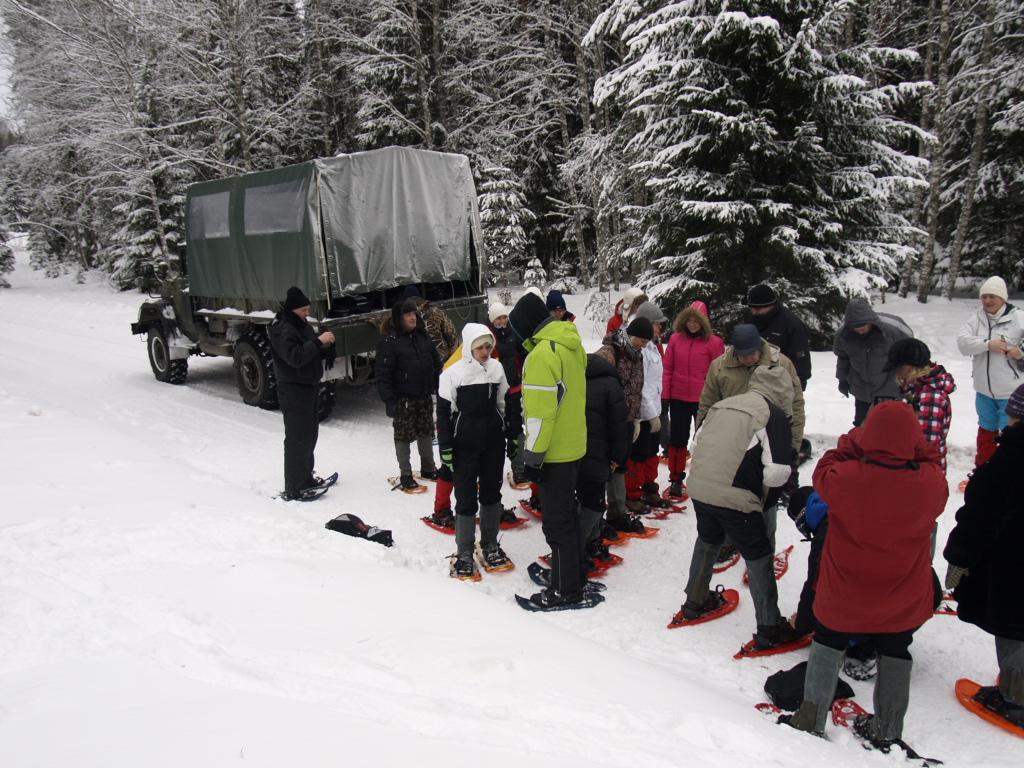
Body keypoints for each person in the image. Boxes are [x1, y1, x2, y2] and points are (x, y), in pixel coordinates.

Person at [780, 402, 947, 755]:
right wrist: (915, 444)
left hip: (845, 592)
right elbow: (932, 460)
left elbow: (824, 466)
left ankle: (811, 717)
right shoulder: (930, 484)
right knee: (896, 651)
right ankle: (886, 729)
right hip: (901, 594)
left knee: (827, 643)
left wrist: (856, 440)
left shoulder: (846, 478)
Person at [677, 366, 800, 649]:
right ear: (784, 392)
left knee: (708, 540)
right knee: (758, 554)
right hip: (736, 497)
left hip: (699, 486)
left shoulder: (722, 405)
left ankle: (695, 601)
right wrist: (763, 503)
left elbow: (696, 445)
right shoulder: (774, 415)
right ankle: (769, 626)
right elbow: (777, 473)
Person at [943, 382, 1024, 727]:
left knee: (1013, 626)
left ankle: (1016, 701)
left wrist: (959, 554)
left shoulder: (1014, 454)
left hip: (1013, 559)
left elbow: (984, 513)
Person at [509, 291, 592, 609]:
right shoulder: (571, 344)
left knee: (557, 524)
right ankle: (571, 575)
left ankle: (565, 590)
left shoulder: (542, 355)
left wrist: (532, 458)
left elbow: (542, 415)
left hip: (553, 452)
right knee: (568, 517)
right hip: (574, 447)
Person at [437, 323, 520, 580]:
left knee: (491, 493)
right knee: (465, 498)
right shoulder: (452, 374)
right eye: (480, 347)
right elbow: (443, 414)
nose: (485, 351)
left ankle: (489, 543)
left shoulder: (497, 369)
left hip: (493, 443)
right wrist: (446, 447)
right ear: (469, 347)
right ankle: (463, 551)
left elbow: (507, 403)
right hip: (464, 446)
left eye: (488, 346)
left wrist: (514, 434)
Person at [268, 286, 337, 501]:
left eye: (308, 309)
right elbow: (295, 357)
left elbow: (309, 347)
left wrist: (327, 347)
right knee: (297, 438)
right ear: (293, 309)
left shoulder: (300, 324)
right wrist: (319, 342)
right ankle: (294, 486)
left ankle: (306, 477)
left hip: (308, 386)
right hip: (292, 389)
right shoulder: (283, 329)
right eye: (304, 309)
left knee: (309, 434)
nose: (307, 313)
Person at [956, 276, 1024, 468]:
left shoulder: (1018, 317)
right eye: (984, 297)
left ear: (1002, 298)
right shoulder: (976, 319)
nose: (987, 301)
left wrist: (1020, 353)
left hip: (1010, 394)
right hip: (983, 391)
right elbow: (963, 343)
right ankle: (983, 470)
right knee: (986, 433)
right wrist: (987, 344)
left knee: (1008, 436)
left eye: (992, 296)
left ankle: (1005, 475)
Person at [376, 298, 442, 491]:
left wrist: (439, 386)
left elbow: (436, 363)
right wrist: (390, 401)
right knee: (403, 436)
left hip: (424, 394)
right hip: (403, 398)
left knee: (426, 431)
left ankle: (428, 468)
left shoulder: (423, 336)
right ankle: (406, 474)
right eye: (408, 314)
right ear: (399, 318)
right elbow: (383, 375)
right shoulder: (390, 341)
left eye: (414, 313)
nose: (412, 317)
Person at [662, 300, 725, 499]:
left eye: (696, 321)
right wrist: (665, 396)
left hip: (703, 400)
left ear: (703, 321)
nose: (692, 324)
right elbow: (667, 369)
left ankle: (706, 478)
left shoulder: (714, 343)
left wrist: (718, 399)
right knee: (677, 440)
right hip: (678, 397)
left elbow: (719, 374)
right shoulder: (675, 339)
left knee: (705, 440)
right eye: (688, 320)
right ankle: (676, 478)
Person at [596, 316, 650, 533]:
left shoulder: (638, 355)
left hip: (626, 420)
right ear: (631, 335)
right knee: (602, 468)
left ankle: (617, 513)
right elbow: (595, 383)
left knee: (620, 465)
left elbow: (637, 388)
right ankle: (595, 518)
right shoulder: (610, 351)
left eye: (647, 341)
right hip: (608, 421)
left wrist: (636, 417)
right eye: (641, 340)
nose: (644, 345)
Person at [578, 352, 630, 569]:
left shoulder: (574, 379)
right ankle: (578, 548)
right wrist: (619, 457)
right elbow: (620, 426)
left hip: (575, 450)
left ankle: (592, 542)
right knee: (594, 501)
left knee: (586, 497)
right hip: (600, 453)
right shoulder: (611, 385)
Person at [833, 297, 911, 426]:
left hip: (889, 390)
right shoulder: (844, 335)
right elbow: (843, 358)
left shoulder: (893, 330)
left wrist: (908, 383)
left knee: (888, 427)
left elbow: (909, 356)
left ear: (871, 321)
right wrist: (842, 380)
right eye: (855, 327)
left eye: (862, 326)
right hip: (861, 389)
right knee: (861, 426)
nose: (859, 330)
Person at [885, 338, 955, 473]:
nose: (896, 374)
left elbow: (925, 446)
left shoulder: (929, 397)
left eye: (897, 369)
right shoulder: (915, 389)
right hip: (915, 468)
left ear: (908, 368)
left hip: (922, 472)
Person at [626, 301, 671, 511]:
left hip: (655, 408)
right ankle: (632, 494)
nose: (660, 328)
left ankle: (649, 488)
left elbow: (655, 383)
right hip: (642, 413)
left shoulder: (653, 346)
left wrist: (658, 411)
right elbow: (640, 385)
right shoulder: (639, 349)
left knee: (652, 451)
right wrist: (650, 414)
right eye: (656, 324)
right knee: (638, 454)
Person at [488, 301, 527, 487]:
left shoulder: (513, 333)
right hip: (494, 393)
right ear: (492, 320)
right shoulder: (487, 337)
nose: (502, 321)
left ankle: (519, 469)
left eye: (504, 317)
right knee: (493, 433)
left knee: (516, 430)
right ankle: (490, 472)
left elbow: (525, 352)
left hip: (514, 389)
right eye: (499, 318)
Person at [746, 283, 812, 390]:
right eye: (752, 308)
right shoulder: (753, 321)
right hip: (754, 384)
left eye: (757, 309)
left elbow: (801, 362)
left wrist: (796, 388)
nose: (754, 312)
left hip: (782, 386)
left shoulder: (792, 325)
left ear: (770, 305)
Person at [401, 285, 458, 362]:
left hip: (416, 363)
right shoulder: (435, 311)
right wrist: (452, 358)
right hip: (441, 360)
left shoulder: (402, 316)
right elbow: (451, 334)